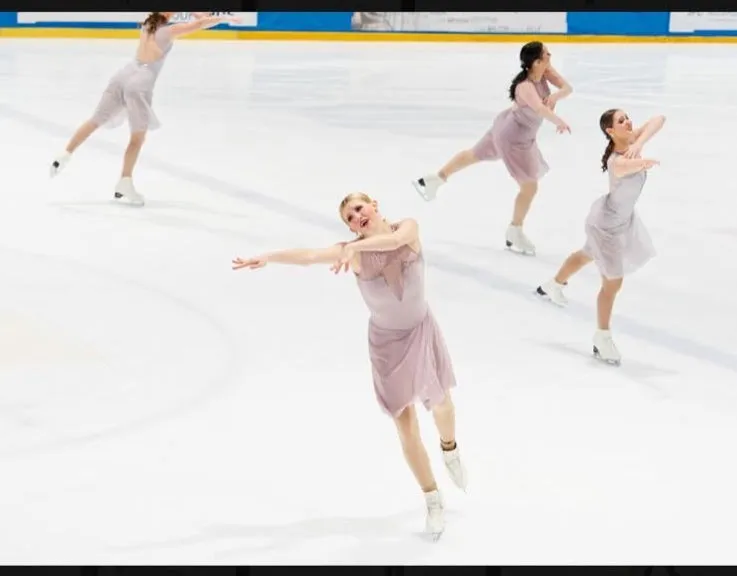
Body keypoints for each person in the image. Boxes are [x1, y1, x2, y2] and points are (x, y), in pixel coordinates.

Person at [232, 192, 467, 539]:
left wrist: (354, 248)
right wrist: (267, 257)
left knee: (443, 405)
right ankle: (432, 498)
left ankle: (450, 448)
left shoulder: (407, 227)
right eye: (349, 218)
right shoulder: (352, 251)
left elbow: (397, 240)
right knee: (406, 427)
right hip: (388, 346)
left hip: (421, 331)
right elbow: (309, 256)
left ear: (375, 204)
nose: (356, 217)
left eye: (358, 208)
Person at [49, 11, 240, 206]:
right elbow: (200, 24)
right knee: (136, 139)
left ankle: (64, 155)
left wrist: (198, 14)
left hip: (123, 76)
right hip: (139, 84)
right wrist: (224, 18)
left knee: (95, 120)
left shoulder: (147, 25)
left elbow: (198, 21)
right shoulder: (169, 30)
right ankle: (125, 181)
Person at [411, 41, 573, 255]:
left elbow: (567, 88)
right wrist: (559, 121)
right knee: (529, 187)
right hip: (514, 138)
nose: (550, 56)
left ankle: (435, 180)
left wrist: (554, 96)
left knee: (474, 154)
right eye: (546, 54)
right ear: (536, 62)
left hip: (508, 126)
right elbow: (540, 109)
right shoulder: (525, 86)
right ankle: (515, 230)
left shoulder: (545, 72)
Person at [536, 109, 665, 365]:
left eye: (628, 117)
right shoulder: (617, 161)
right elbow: (630, 165)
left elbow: (658, 119)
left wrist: (638, 143)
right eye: (621, 120)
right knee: (613, 283)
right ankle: (602, 337)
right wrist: (642, 160)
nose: (628, 121)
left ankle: (554, 284)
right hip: (606, 226)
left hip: (620, 220)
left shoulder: (629, 143)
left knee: (586, 254)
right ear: (610, 131)